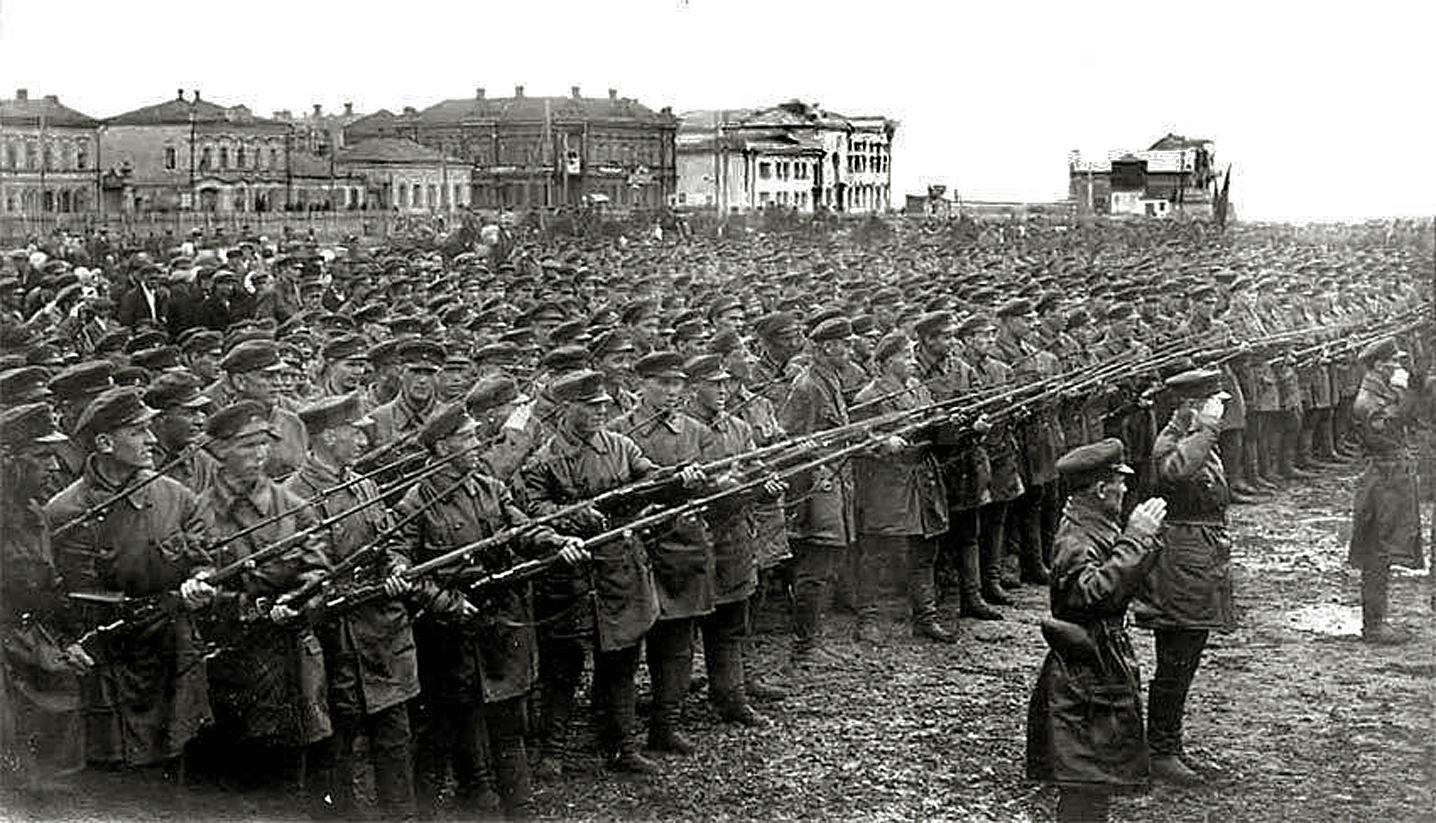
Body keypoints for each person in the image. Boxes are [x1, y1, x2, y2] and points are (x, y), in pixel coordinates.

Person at [396, 401, 584, 818]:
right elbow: (401, 571)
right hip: (449, 634)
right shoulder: (416, 501)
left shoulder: (488, 487)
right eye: (466, 438)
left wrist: (556, 543)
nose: (478, 444)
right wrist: (447, 603)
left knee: (506, 722)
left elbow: (521, 529)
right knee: (440, 730)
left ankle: (519, 808)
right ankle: (422, 812)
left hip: (495, 624)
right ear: (442, 447)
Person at [45, 387, 214, 776]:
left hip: (170, 651)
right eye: (138, 432)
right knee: (117, 779)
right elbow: (54, 594)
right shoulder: (66, 510)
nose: (152, 440)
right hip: (107, 660)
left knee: (173, 769)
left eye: (150, 429)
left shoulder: (177, 497)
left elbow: (204, 559)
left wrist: (199, 583)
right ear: (104, 442)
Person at [521, 370, 668, 777]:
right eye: (590, 407)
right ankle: (554, 752)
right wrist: (573, 517)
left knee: (620, 662)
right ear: (567, 409)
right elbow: (533, 511)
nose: (600, 412)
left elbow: (650, 478)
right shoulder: (542, 459)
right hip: (568, 575)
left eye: (604, 406)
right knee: (562, 669)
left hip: (618, 569)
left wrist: (676, 481)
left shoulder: (621, 446)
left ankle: (622, 745)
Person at [285, 394, 419, 820]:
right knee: (335, 750)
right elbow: (296, 573)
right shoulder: (292, 496)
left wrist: (397, 566)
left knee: (394, 739)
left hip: (381, 633)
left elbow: (390, 540)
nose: (364, 437)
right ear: (327, 436)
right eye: (354, 431)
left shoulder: (364, 485)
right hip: (333, 640)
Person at [1026, 437, 1168, 823]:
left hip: (1094, 665)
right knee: (1085, 784)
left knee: (1094, 782)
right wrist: (1136, 538)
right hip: (1084, 674)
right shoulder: (1077, 537)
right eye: (1119, 482)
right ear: (1102, 489)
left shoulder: (1091, 523)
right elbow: (1088, 597)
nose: (1125, 488)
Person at [1132, 368, 1236, 785]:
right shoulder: (1172, 442)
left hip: (1199, 556)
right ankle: (1161, 749)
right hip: (1180, 562)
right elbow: (1175, 473)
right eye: (1212, 403)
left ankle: (1167, 743)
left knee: (1188, 654)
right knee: (1176, 657)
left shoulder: (1196, 437)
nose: (1219, 412)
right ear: (1191, 405)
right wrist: (1206, 426)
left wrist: (1206, 427)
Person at [0, 403, 90, 794]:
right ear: (9, 461)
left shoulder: (34, 513)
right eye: (41, 456)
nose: (54, 467)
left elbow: (48, 585)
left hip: (29, 643)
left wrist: (68, 640)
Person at [1347, 338, 1425, 644]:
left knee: (1385, 550)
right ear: (1378, 365)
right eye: (1393, 362)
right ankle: (1374, 626)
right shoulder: (1367, 400)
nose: (1398, 366)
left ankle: (1378, 621)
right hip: (1382, 481)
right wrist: (1404, 392)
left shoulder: (1381, 392)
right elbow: (1389, 430)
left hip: (1391, 478)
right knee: (1377, 553)